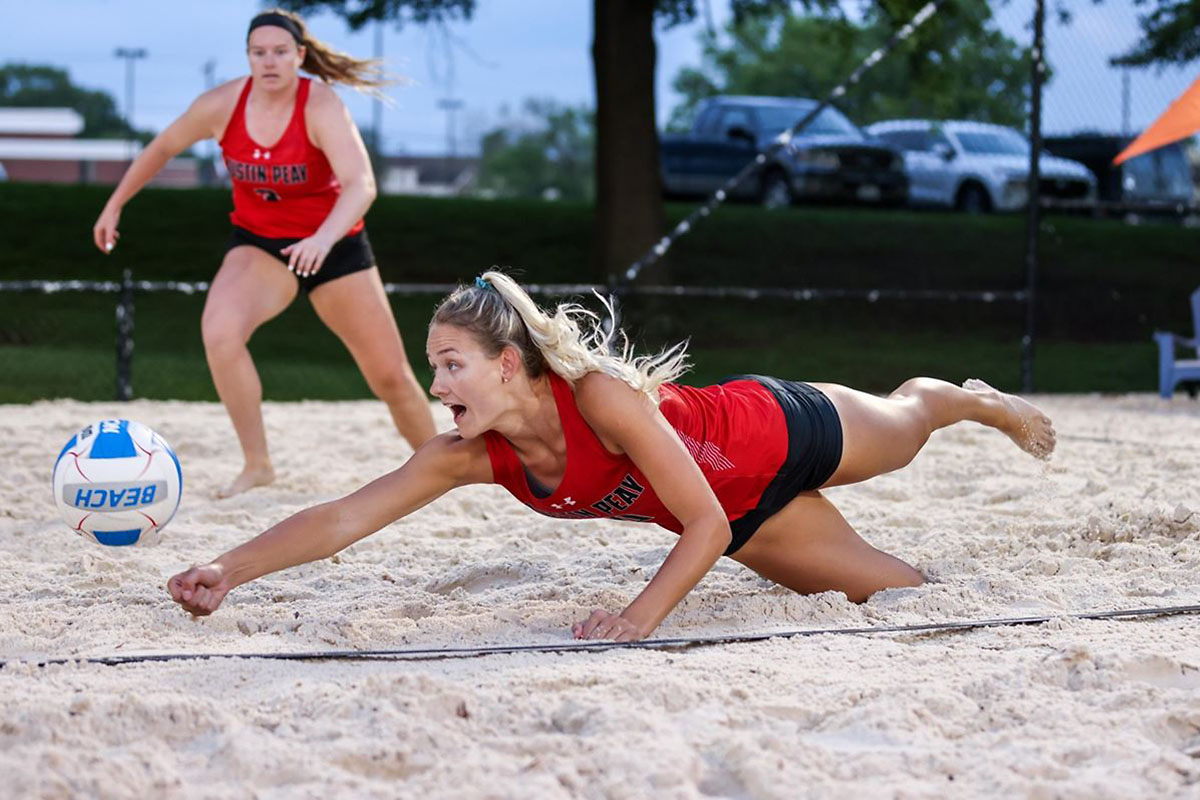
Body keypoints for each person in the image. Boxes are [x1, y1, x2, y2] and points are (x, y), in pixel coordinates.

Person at [168, 271, 1056, 641]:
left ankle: (974, 398)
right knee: (899, 593)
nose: (436, 385)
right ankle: (953, 414)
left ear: (506, 363)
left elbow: (697, 520)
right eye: (433, 367)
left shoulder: (598, 396)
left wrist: (638, 620)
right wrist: (227, 568)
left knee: (909, 425)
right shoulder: (472, 454)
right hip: (744, 517)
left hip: (777, 429)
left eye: (450, 365)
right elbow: (343, 517)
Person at [92, 9, 437, 498]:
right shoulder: (221, 104)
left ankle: (440, 467)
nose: (269, 61)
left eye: (279, 52)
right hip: (261, 244)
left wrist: (322, 239)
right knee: (220, 334)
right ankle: (257, 465)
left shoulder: (319, 104)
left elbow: (361, 184)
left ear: (299, 56)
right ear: (248, 57)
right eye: (258, 53)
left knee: (390, 377)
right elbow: (163, 147)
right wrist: (114, 204)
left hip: (333, 244)